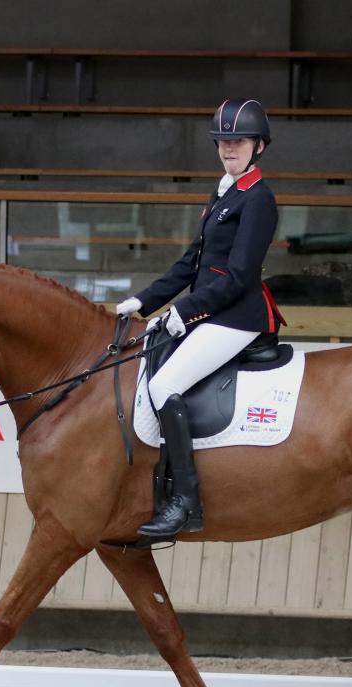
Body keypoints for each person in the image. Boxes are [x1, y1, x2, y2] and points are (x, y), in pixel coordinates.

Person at [114, 98, 283, 539]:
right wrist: (143, 300)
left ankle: (186, 502)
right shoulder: (224, 190)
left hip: (238, 316)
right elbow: (192, 264)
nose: (229, 149)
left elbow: (239, 276)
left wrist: (185, 312)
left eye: (239, 141)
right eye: (223, 142)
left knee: (164, 384)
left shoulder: (258, 199)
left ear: (258, 146)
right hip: (213, 309)